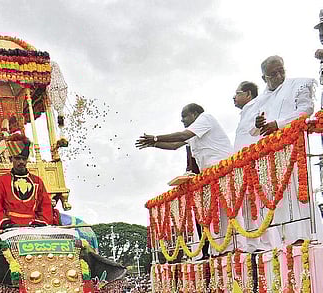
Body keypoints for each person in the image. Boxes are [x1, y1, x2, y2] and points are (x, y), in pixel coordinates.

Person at [136, 103, 234, 257]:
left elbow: (182, 136)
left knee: (227, 210)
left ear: (195, 114)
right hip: (209, 176)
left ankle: (233, 246)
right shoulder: (194, 132)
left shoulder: (205, 119)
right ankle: (219, 248)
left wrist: (155, 137)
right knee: (214, 214)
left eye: (184, 116)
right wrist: (154, 144)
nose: (182, 120)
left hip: (224, 170)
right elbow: (175, 145)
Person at [253, 55, 320, 245]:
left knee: (298, 189)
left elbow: (306, 109)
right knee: (278, 195)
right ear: (264, 78)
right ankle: (286, 239)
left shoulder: (299, 84)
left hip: (293, 146)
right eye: (273, 74)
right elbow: (255, 129)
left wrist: (279, 124)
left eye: (281, 70)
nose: (279, 76)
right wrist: (258, 124)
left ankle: (305, 235)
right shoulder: (261, 99)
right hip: (271, 152)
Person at [232, 81, 280, 252]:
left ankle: (267, 245)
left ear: (248, 94)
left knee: (261, 203)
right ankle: (253, 244)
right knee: (247, 206)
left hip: (256, 162)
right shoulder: (245, 112)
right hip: (242, 166)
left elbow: (259, 130)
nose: (233, 97)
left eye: (237, 93)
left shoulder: (258, 105)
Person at [0, 134, 53, 229]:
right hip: (9, 228)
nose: (21, 162)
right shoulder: (1, 181)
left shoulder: (37, 181)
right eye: (18, 158)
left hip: (34, 227)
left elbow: (46, 207)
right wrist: (6, 224)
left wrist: (40, 223)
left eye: (24, 159)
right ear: (11, 159)